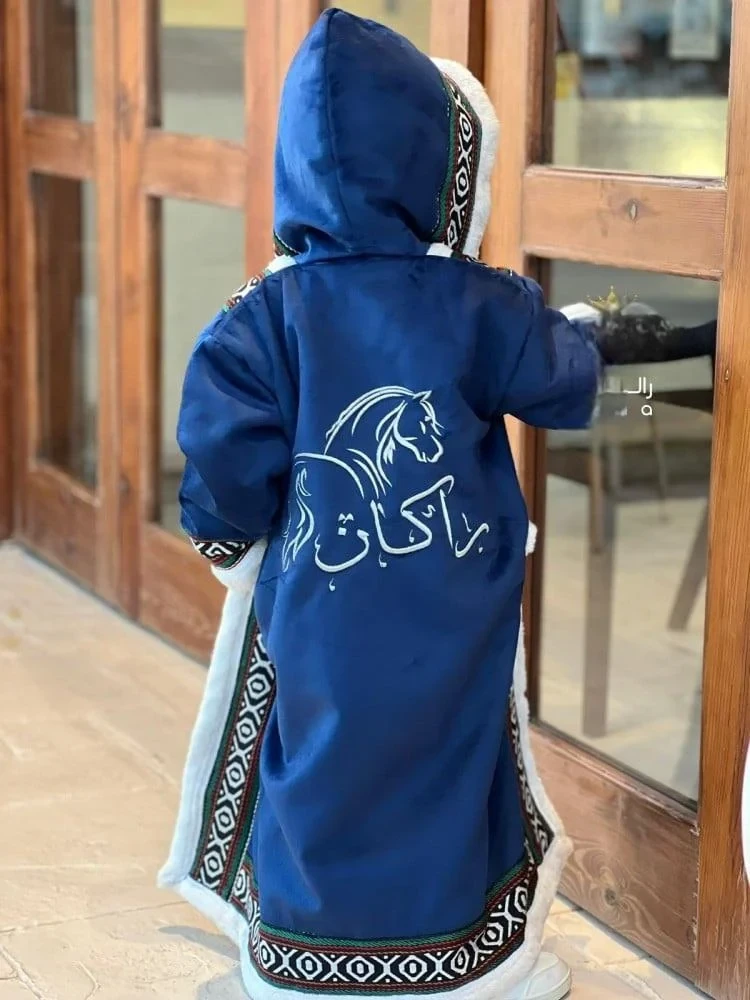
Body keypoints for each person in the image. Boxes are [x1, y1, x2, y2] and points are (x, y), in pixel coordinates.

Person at [161, 10, 619, 1000]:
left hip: (320, 607)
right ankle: (457, 962)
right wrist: (607, 339)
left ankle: (305, 956)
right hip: (451, 609)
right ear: (437, 165)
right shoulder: (480, 304)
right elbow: (562, 379)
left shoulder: (261, 316)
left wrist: (228, 539)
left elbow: (222, 461)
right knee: (449, 760)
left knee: (317, 750)